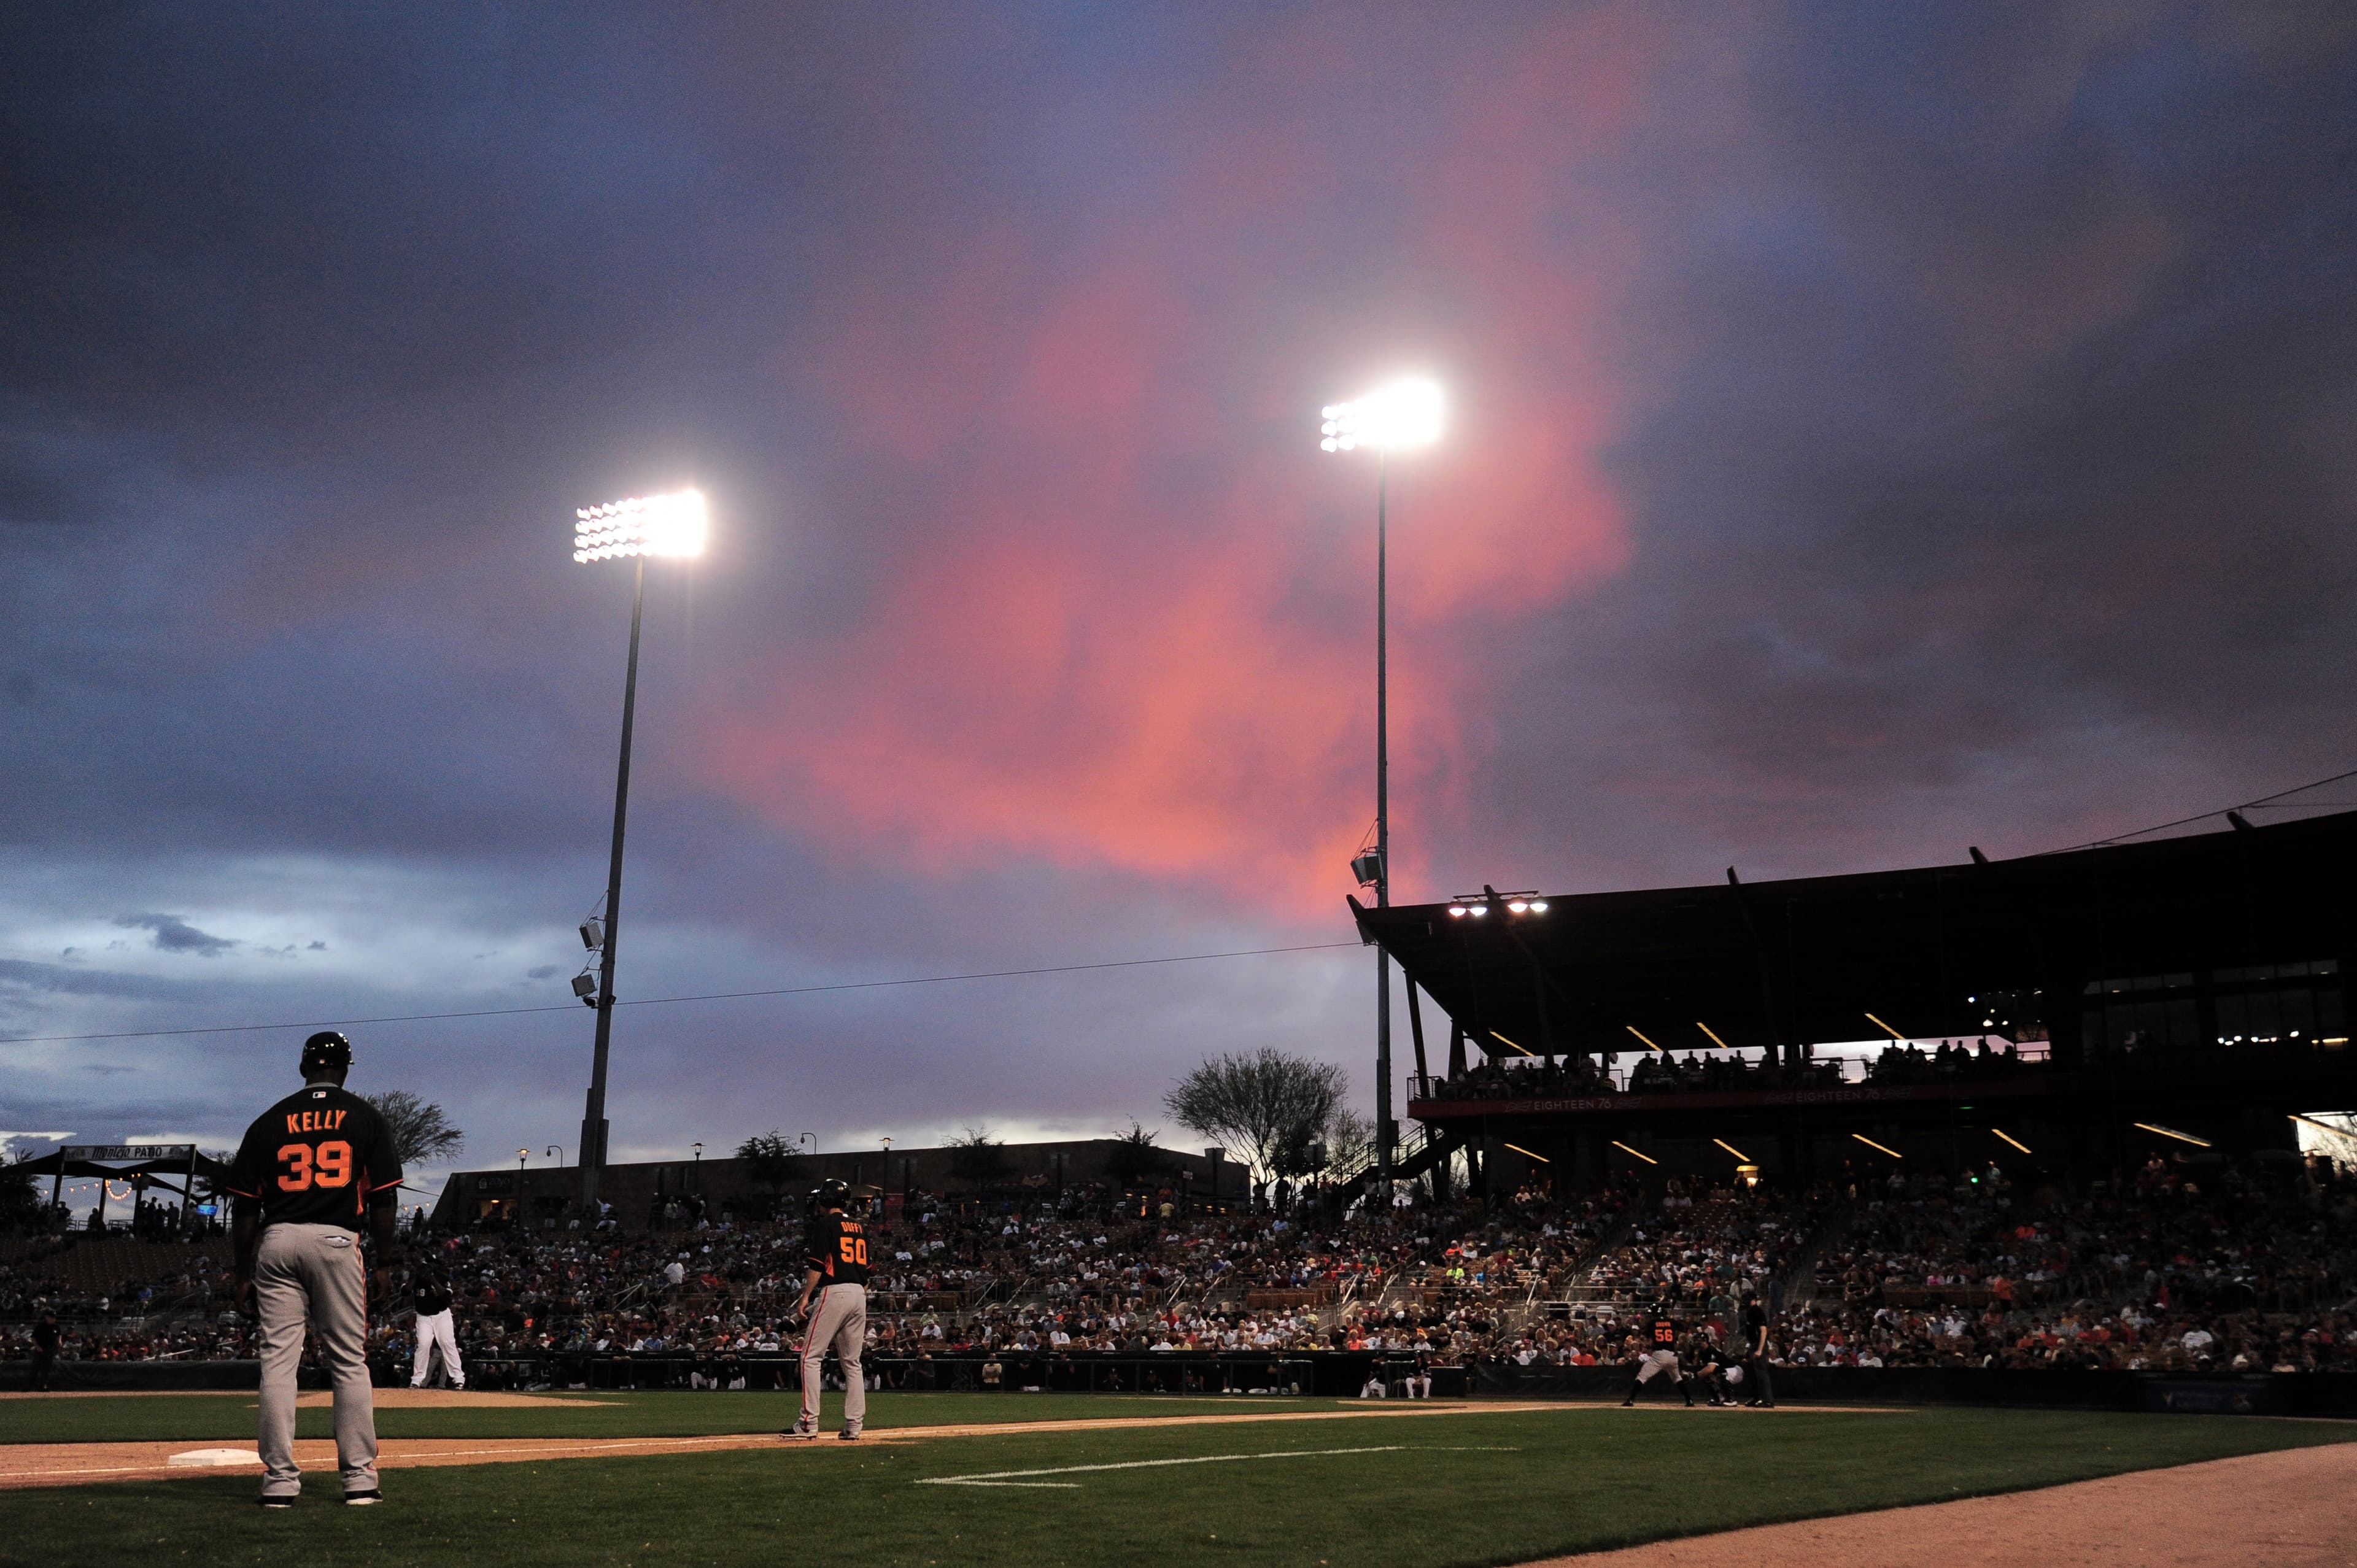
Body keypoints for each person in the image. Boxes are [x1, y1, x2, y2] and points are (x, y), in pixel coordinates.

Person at [225, 1030, 403, 1507]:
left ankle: (279, 1483)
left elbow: (245, 1208)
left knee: (278, 1365)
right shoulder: (365, 1116)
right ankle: (360, 1478)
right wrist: (386, 1262)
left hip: (278, 1238)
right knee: (348, 1361)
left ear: (304, 1068)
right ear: (344, 1068)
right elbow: (384, 1198)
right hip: (336, 1238)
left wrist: (241, 1273)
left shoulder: (268, 1120)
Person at [781, 1180, 868, 1442]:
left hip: (835, 1291)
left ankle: (808, 1424)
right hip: (859, 1293)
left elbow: (817, 1265)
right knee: (852, 1363)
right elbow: (867, 1272)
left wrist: (805, 1297)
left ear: (826, 1200)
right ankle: (854, 1426)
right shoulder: (860, 1227)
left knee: (810, 1357)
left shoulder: (826, 1224)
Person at [1620, 1297, 1688, 1407]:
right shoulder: (1671, 1321)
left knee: (1642, 1377)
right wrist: (1672, 1322)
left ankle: (1630, 1400)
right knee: (1677, 1378)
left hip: (1660, 1355)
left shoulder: (1652, 1323)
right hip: (1673, 1355)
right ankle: (1689, 1400)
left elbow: (1646, 1333)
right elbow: (1684, 1328)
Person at [409, 1264, 463, 1390]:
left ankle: (458, 1378)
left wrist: (433, 1279)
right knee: (424, 1344)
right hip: (423, 1316)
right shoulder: (416, 1278)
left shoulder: (441, 1277)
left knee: (447, 1343)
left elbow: (446, 1296)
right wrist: (415, 1278)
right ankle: (417, 1380)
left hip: (442, 1315)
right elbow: (405, 1291)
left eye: (426, 1270)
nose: (424, 1273)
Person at [1740, 1286, 1778, 1408]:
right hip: (1753, 1345)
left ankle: (1768, 1400)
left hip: (1758, 1345)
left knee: (1762, 1374)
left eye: (1747, 1299)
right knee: (1753, 1374)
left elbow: (1763, 1331)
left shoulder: (1757, 1311)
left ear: (1753, 1300)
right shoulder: (1749, 1312)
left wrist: (1760, 1350)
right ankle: (1756, 1398)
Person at [28, 1310, 60, 1392]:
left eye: (54, 1318)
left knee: (46, 1369)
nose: (53, 1319)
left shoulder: (56, 1326)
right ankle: (29, 1386)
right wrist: (37, 1347)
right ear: (47, 1317)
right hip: (41, 1349)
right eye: (51, 1317)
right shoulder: (41, 1326)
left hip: (50, 1350)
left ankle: (42, 1386)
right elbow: (33, 1338)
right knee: (35, 1368)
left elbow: (58, 1335)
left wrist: (59, 1342)